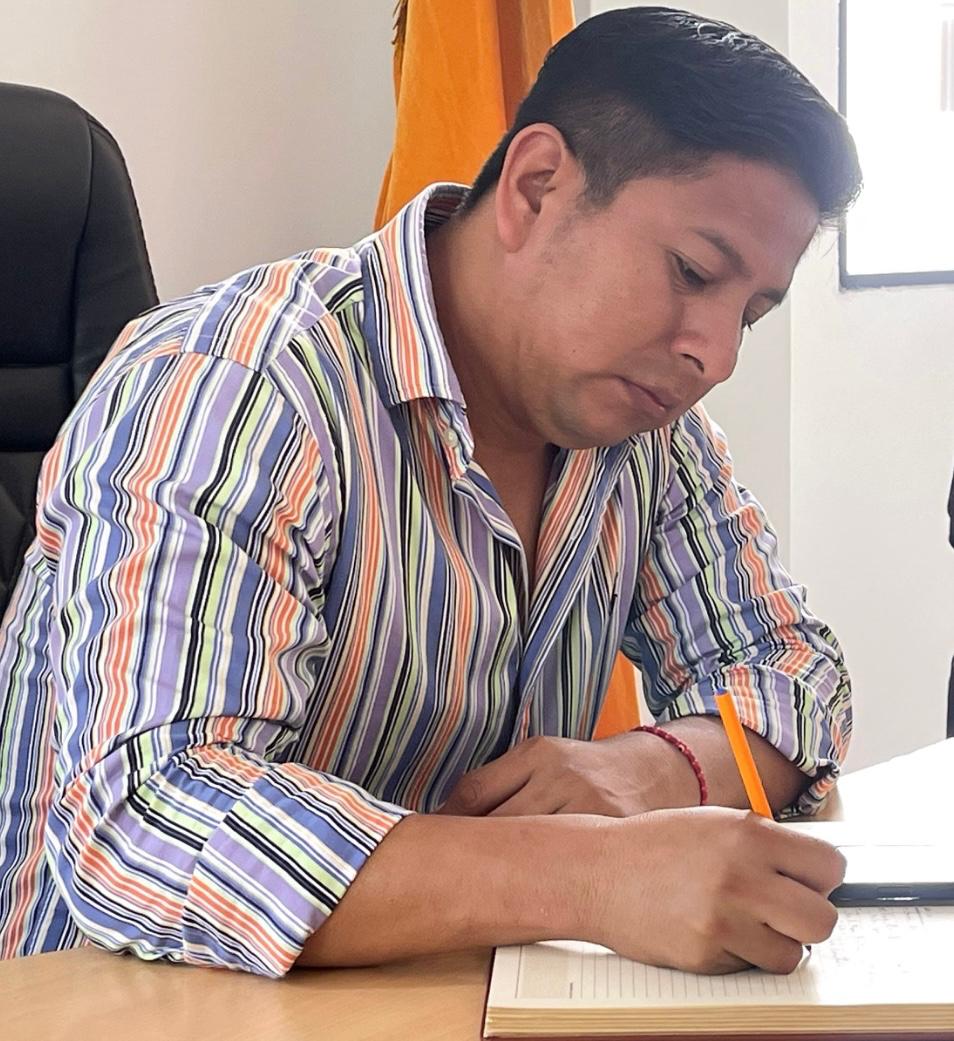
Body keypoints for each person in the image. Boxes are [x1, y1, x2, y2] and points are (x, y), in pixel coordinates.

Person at [0, 7, 861, 979]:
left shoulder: (646, 436)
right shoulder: (237, 382)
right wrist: (588, 875)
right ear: (537, 186)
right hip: (126, 1005)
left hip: (454, 993)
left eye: (752, 312)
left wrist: (653, 769)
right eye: (693, 272)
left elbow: (796, 671)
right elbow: (150, 820)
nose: (717, 355)